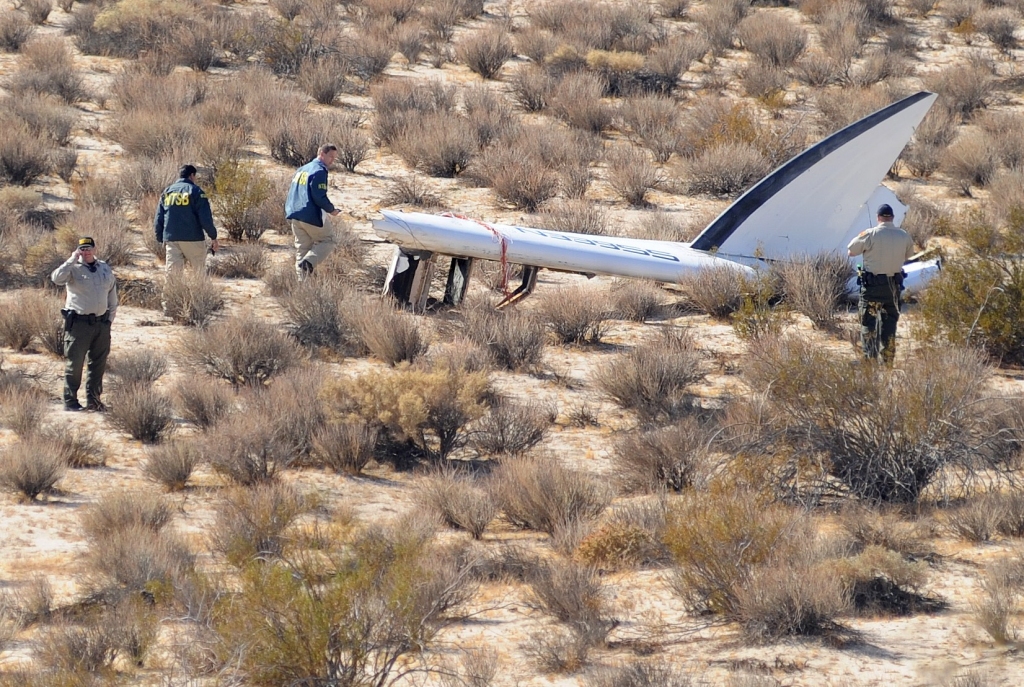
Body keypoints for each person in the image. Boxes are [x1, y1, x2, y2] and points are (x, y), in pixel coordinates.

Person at [51, 237, 118, 412]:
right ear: (78, 250)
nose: (86, 251)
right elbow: (56, 278)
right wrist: (72, 259)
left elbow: (112, 294)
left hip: (101, 324)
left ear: (95, 249)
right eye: (83, 249)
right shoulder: (72, 268)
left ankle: (94, 401)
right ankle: (70, 401)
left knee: (98, 364)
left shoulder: (104, 268)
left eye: (89, 248)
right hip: (79, 325)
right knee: (75, 364)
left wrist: (109, 321)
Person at [847, 204, 915, 364]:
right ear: (891, 217)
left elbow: (851, 251)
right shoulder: (904, 235)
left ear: (878, 218)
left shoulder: (871, 234)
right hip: (893, 286)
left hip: (872, 288)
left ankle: (869, 360)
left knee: (868, 322)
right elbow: (909, 255)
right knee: (890, 323)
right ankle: (888, 361)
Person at [285, 144, 341, 280]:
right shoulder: (319, 171)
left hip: (295, 214)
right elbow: (318, 195)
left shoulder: (302, 169)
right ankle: (308, 263)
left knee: (302, 248)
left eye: (334, 158)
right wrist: (331, 209)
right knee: (329, 241)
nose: (332, 160)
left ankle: (302, 284)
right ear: (322, 154)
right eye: (330, 157)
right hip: (310, 214)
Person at [154, 164, 219, 272]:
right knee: (198, 273)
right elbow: (205, 219)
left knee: (172, 275)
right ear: (192, 175)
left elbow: (159, 218)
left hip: (172, 238)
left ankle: (171, 290)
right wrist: (213, 237)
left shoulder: (167, 192)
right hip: (193, 238)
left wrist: (161, 238)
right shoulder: (196, 192)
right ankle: (199, 289)